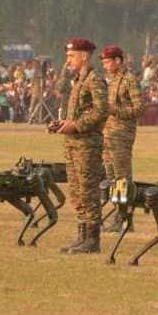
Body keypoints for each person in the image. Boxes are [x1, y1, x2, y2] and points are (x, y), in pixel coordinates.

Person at [51, 38, 108, 254]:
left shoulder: (95, 80)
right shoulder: (78, 81)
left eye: (71, 56)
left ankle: (92, 239)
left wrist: (76, 125)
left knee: (88, 190)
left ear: (84, 56)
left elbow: (101, 111)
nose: (68, 61)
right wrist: (63, 124)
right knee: (77, 191)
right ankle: (82, 236)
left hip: (87, 144)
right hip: (73, 144)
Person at [101, 45, 145, 233]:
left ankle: (125, 219)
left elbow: (140, 108)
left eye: (108, 62)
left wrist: (116, 111)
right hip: (110, 135)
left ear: (118, 61)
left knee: (122, 179)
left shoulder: (129, 81)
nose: (105, 66)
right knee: (112, 178)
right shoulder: (113, 81)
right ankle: (118, 215)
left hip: (122, 135)